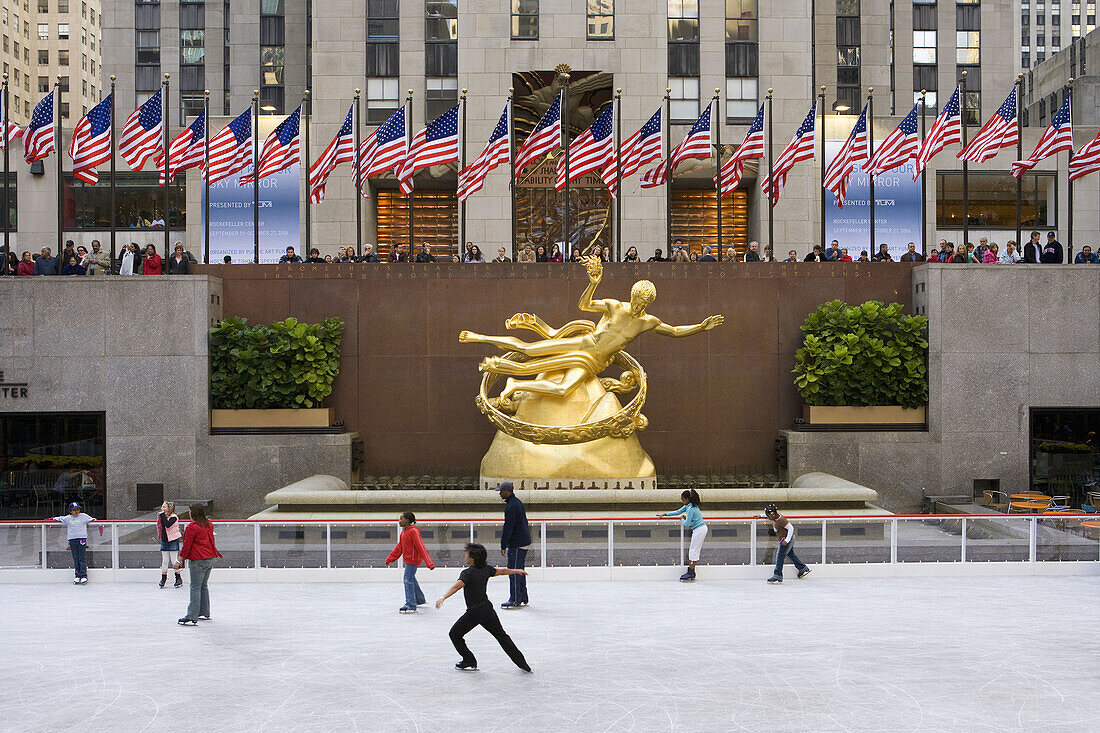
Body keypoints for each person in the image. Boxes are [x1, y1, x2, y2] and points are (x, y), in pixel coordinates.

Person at [435, 543, 532, 673]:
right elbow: (501, 571)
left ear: (472, 558)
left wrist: (443, 597)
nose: (465, 556)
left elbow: (457, 586)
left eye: (467, 554)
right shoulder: (486, 569)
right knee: (502, 637)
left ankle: (469, 660)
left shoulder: (467, 573)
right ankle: (523, 663)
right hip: (487, 611)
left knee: (454, 634)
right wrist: (517, 570)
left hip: (474, 613)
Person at [173, 503, 222, 626]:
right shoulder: (208, 524)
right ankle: (204, 612)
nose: (189, 513)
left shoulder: (192, 527)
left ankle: (192, 615)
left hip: (198, 559)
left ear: (193, 512)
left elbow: (186, 546)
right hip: (210, 558)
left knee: (195, 587)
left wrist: (178, 561)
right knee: (203, 585)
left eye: (190, 511)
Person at [385, 512, 435, 613]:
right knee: (411, 578)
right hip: (408, 560)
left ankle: (411, 604)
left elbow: (421, 546)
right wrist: (390, 559)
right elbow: (399, 548)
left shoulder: (413, 531)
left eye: (401, 518)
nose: (399, 521)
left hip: (413, 560)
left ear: (407, 520)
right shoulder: (404, 532)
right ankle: (419, 599)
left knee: (407, 579)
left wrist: (429, 563)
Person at [658, 489, 708, 581]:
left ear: (688, 499)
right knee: (693, 550)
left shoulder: (691, 509)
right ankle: (691, 571)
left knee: (693, 550)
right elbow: (678, 511)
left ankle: (691, 571)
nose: (682, 501)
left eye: (683, 500)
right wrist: (665, 514)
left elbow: (687, 524)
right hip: (698, 529)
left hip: (699, 530)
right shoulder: (689, 506)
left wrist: (682, 519)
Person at [498, 481, 530, 609]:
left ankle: (515, 599)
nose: (500, 493)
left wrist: (503, 545)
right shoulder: (517, 503)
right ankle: (523, 596)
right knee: (519, 569)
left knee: (513, 571)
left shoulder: (511, 506)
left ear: (508, 491)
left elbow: (508, 527)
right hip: (523, 541)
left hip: (517, 543)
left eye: (501, 491)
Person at [47, 502, 96, 584]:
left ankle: (83, 575)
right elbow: (59, 518)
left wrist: (100, 525)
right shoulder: (68, 518)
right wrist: (49, 520)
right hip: (72, 540)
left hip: (81, 539)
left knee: (82, 558)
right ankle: (77, 575)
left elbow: (93, 519)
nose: (76, 511)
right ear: (70, 511)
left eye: (78, 509)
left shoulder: (83, 516)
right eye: (74, 510)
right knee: (76, 558)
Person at [763, 503, 810, 583]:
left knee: (780, 556)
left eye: (768, 516)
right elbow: (769, 514)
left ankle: (777, 575)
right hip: (786, 539)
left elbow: (791, 528)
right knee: (790, 554)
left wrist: (787, 540)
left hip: (786, 540)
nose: (768, 517)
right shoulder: (775, 516)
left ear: (773, 514)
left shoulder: (781, 520)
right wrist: (760, 516)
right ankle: (802, 568)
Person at [156, 501, 183, 589]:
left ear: (169, 508)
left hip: (173, 540)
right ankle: (163, 578)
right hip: (165, 540)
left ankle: (178, 578)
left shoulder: (174, 517)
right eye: (162, 507)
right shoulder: (162, 516)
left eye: (164, 507)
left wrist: (162, 515)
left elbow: (167, 525)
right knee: (165, 560)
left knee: (173, 560)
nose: (162, 509)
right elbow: (160, 526)